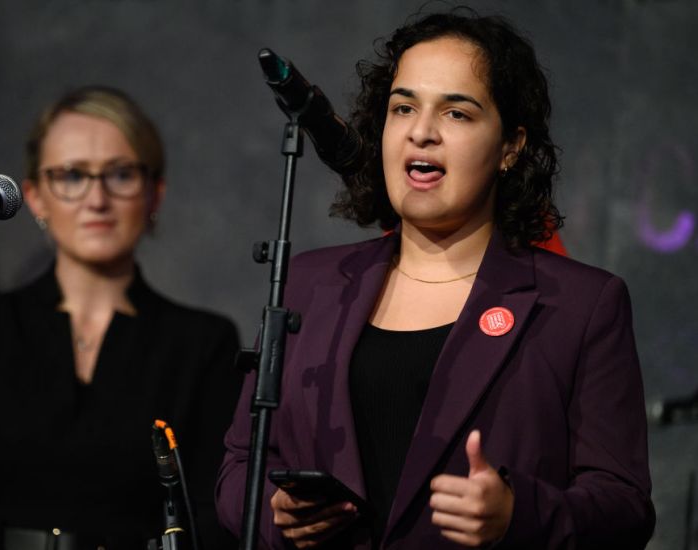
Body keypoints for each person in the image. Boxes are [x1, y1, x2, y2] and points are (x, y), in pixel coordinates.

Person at [216, 9, 655, 549]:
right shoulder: (310, 284)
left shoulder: (581, 305)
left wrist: (516, 516)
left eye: (456, 113)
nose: (421, 132)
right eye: (403, 108)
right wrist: (275, 511)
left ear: (511, 146)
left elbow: (624, 506)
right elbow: (239, 464)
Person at [0, 86, 243, 549]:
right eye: (72, 175)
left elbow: (213, 515)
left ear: (154, 194)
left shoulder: (205, 344)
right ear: (35, 197)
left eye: (120, 174)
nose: (96, 198)